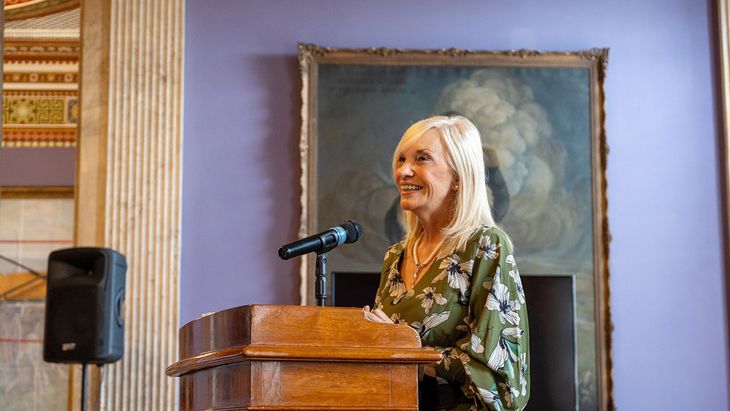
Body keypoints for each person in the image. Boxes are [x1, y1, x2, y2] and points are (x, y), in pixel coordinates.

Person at [363, 115, 530, 410]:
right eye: (401, 159)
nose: (403, 171)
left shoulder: (485, 245)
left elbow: (502, 382)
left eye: (422, 159)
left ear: (458, 178)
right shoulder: (394, 256)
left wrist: (408, 351)